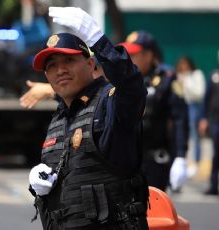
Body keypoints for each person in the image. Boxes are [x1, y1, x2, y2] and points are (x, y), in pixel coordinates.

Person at [28, 7, 149, 229]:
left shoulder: (109, 103)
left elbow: (133, 89)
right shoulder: (59, 117)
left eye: (68, 61)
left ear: (91, 64)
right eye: (52, 66)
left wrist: (99, 41)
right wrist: (42, 179)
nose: (60, 70)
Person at [119, 31, 189, 191]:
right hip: (125, 159)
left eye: (134, 54)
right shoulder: (123, 79)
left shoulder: (166, 80)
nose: (128, 59)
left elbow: (180, 119)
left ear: (149, 55)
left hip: (153, 161)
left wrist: (180, 156)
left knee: (152, 212)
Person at [176, 56, 206, 177]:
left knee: (195, 135)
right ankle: (185, 162)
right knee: (182, 134)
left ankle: (196, 163)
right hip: (183, 105)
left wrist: (185, 83)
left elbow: (199, 93)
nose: (183, 67)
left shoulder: (197, 74)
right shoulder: (181, 75)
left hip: (194, 106)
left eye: (186, 64)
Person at [199, 69, 219, 195]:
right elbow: (207, 98)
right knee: (216, 152)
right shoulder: (214, 75)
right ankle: (213, 185)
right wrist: (204, 118)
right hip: (215, 120)